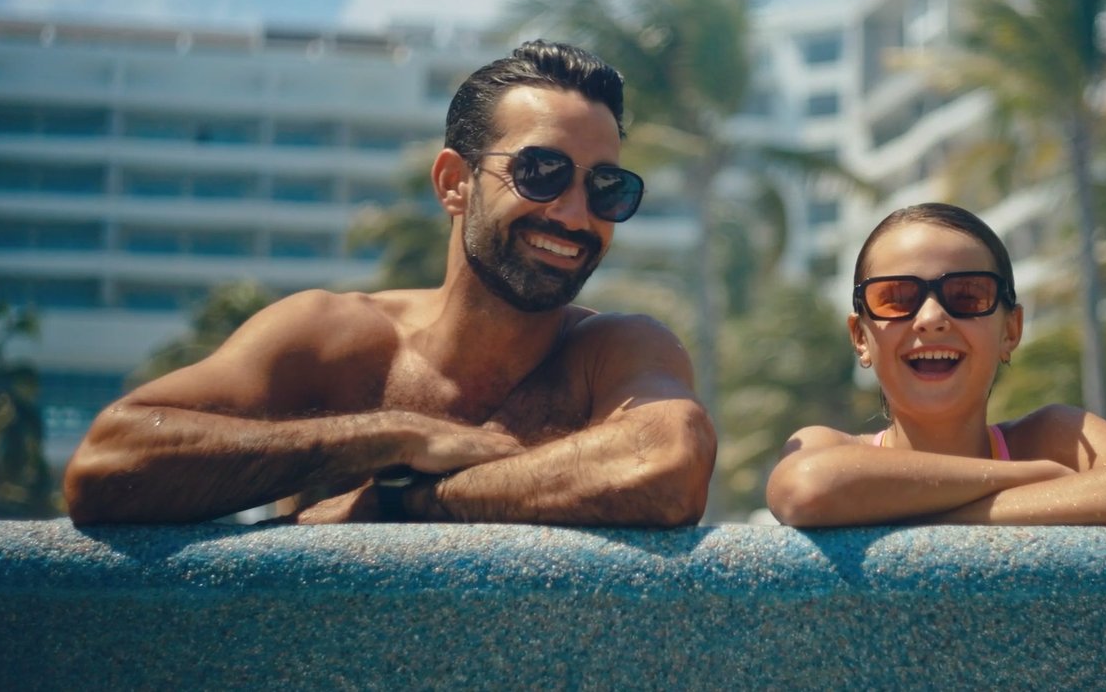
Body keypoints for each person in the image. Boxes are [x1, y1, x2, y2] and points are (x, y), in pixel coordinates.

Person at [65, 41, 716, 526]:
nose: (574, 216)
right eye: (541, 172)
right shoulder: (333, 339)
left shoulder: (614, 352)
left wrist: (400, 501)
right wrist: (391, 436)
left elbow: (668, 462)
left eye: (606, 188)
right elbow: (106, 464)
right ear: (453, 183)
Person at [765, 202, 1106, 526]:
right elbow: (805, 488)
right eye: (897, 298)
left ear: (1011, 329)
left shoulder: (1054, 438)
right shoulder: (832, 447)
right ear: (860, 338)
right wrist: (1031, 477)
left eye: (967, 295)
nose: (931, 318)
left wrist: (945, 512)